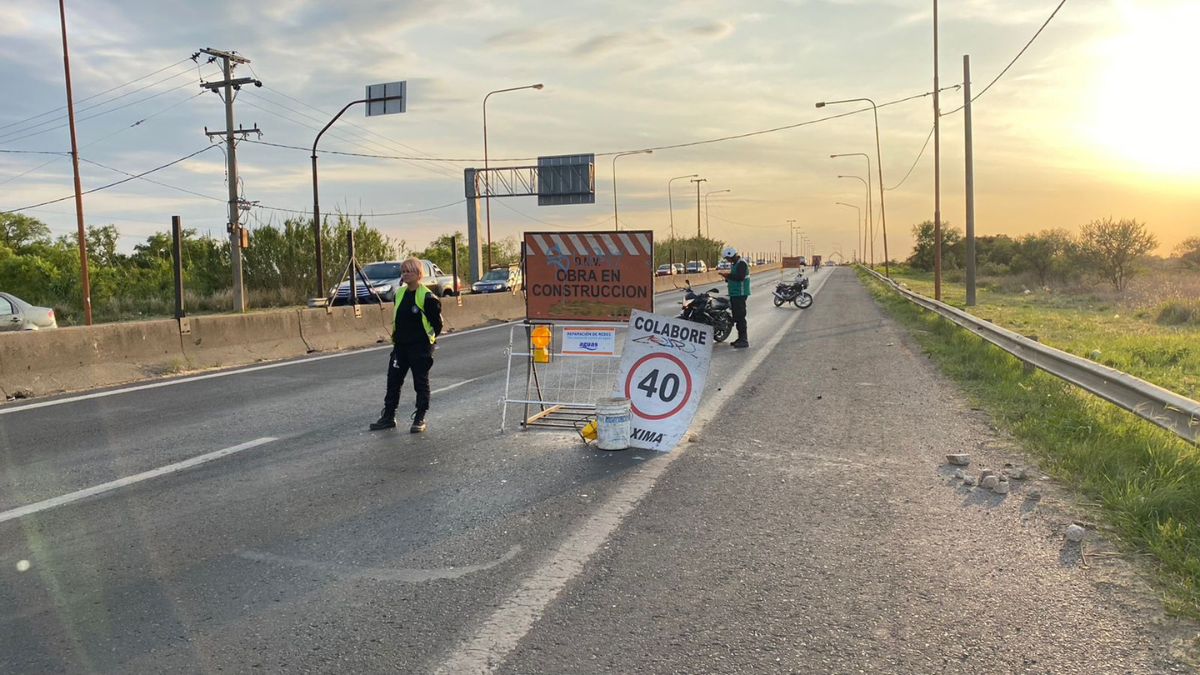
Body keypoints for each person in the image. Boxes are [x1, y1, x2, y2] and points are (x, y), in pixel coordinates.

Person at [370, 257, 443, 433]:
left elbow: (437, 325)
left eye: (408, 271)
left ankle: (419, 417)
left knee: (420, 383)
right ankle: (388, 416)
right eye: (403, 271)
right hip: (400, 347)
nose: (405, 274)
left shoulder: (427, 297)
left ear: (418, 274)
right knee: (393, 382)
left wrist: (426, 343)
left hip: (420, 347)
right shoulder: (399, 294)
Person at [718, 245, 750, 348]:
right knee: (737, 316)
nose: (728, 260)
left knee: (740, 317)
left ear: (731, 255)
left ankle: (744, 340)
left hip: (740, 294)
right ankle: (740, 338)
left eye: (728, 258)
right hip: (735, 294)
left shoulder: (741, 264)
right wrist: (728, 278)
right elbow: (735, 277)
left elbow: (740, 277)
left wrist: (728, 275)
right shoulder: (737, 263)